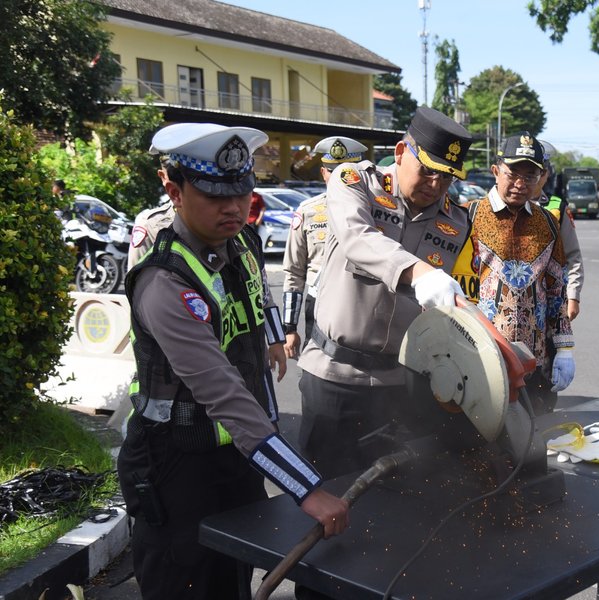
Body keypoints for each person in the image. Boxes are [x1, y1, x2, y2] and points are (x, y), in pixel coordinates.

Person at [117, 123, 349, 600]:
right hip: (175, 467)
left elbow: (254, 299)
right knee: (186, 584)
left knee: (233, 582)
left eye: (241, 192)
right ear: (173, 190)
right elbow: (222, 392)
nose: (233, 207)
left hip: (234, 461)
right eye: (212, 194)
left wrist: (272, 339)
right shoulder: (163, 282)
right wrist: (304, 486)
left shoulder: (238, 243)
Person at [296, 106, 471, 478]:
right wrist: (420, 272)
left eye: (447, 178)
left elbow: (453, 298)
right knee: (324, 493)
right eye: (427, 170)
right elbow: (358, 239)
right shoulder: (354, 181)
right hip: (334, 376)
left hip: (401, 385)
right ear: (400, 152)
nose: (436, 186)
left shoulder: (457, 220)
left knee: (394, 500)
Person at [463, 133, 575, 415]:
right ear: (496, 171)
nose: (520, 183)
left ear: (540, 178)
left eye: (530, 176)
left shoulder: (548, 222)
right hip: (479, 357)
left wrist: (564, 348)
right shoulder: (468, 216)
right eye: (513, 173)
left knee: (535, 442)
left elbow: (556, 290)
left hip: (533, 362)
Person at [282, 136, 367, 357]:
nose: (339, 178)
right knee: (315, 371)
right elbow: (294, 271)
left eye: (345, 171)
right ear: (323, 173)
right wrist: (289, 327)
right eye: (333, 171)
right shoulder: (307, 211)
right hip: (318, 302)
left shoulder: (378, 212)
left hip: (363, 304)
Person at [535, 139, 584, 321]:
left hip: (551, 298)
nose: (534, 177)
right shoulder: (508, 205)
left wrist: (573, 295)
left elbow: (573, 255)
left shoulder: (557, 207)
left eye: (540, 172)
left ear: (547, 174)